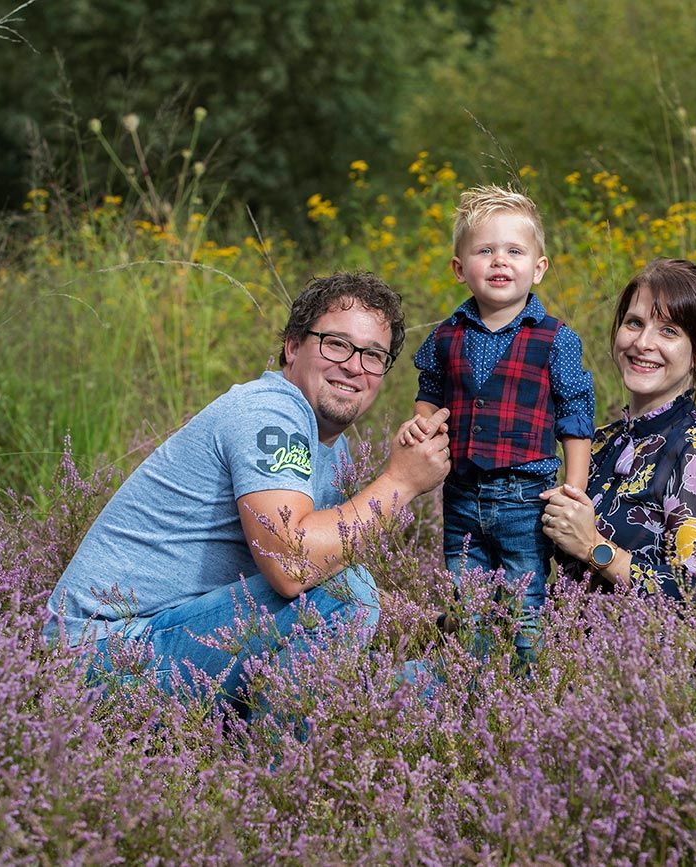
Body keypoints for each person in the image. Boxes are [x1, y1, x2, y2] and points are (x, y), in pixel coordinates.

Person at [44, 272, 452, 708]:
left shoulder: (334, 450)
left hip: (174, 637)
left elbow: (321, 572)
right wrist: (400, 482)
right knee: (347, 592)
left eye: (373, 355)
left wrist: (427, 626)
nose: (354, 366)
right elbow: (294, 566)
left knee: (432, 685)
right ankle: (284, 753)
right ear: (292, 346)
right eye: (336, 344)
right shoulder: (270, 410)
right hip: (103, 654)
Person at [401, 184, 595, 661]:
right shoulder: (447, 336)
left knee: (525, 604)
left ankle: (528, 687)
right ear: (459, 269)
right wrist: (421, 424)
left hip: (524, 497)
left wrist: (574, 489)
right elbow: (430, 394)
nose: (499, 261)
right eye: (484, 251)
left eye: (514, 251)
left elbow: (575, 416)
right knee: (465, 605)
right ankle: (473, 686)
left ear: (539, 268)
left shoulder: (555, 339)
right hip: (462, 494)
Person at [540, 258, 696, 600]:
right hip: (568, 631)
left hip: (651, 638)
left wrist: (593, 547)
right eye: (634, 323)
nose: (642, 343)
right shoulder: (600, 442)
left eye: (669, 331)